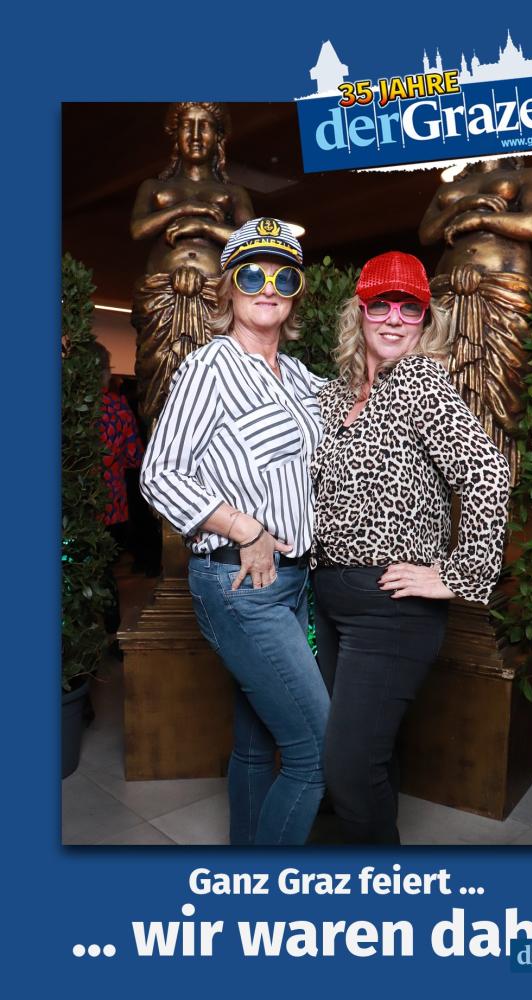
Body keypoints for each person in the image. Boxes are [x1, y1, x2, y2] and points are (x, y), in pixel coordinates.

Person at [310, 251, 511, 844]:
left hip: (390, 612)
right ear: (359, 312)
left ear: (426, 318)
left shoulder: (420, 382)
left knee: (349, 769)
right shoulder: (337, 394)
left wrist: (457, 574)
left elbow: (488, 472)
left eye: (410, 307)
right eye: (381, 304)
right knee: (366, 755)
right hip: (332, 601)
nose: (394, 319)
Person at [140, 218, 329, 846]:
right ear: (228, 288)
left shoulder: (300, 379)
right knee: (316, 751)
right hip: (239, 583)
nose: (268, 288)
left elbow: (357, 414)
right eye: (252, 275)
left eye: (284, 277)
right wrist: (244, 526)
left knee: (256, 743)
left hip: (294, 583)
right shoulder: (209, 366)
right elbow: (160, 474)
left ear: (296, 292)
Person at [418, 158, 532, 483]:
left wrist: (477, 219)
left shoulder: (527, 174)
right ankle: (449, 488)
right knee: (447, 391)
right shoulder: (450, 186)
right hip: (448, 293)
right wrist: (466, 205)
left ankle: (504, 486)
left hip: (504, 291)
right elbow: (427, 234)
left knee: (507, 392)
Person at [131, 102, 254, 425]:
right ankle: (159, 450)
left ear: (218, 137)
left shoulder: (233, 192)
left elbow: (251, 240)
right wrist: (185, 209)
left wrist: (204, 227)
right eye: (188, 125)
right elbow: (138, 229)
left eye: (205, 125)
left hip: (216, 298)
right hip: (163, 299)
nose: (196, 135)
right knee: (159, 383)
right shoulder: (153, 188)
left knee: (219, 384)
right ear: (176, 135)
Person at [93, 342, 145, 634]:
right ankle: (111, 636)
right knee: (105, 573)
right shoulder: (117, 407)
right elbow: (134, 457)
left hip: (73, 507)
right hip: (111, 505)